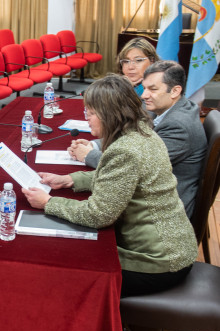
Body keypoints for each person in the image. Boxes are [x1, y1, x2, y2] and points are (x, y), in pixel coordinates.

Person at [22, 75, 198, 298]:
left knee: (62, 268)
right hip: (174, 247)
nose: (86, 119)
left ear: (110, 114)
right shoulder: (142, 133)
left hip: (159, 261)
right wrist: (70, 180)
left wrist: (48, 202)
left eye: (91, 113)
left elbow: (98, 215)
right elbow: (119, 179)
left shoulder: (125, 149)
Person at [69, 61, 206, 219]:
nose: (143, 95)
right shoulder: (166, 108)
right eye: (145, 87)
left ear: (175, 91)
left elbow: (131, 166)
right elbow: (131, 134)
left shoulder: (179, 126)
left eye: (152, 89)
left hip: (162, 213)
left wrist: (88, 155)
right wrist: (95, 144)